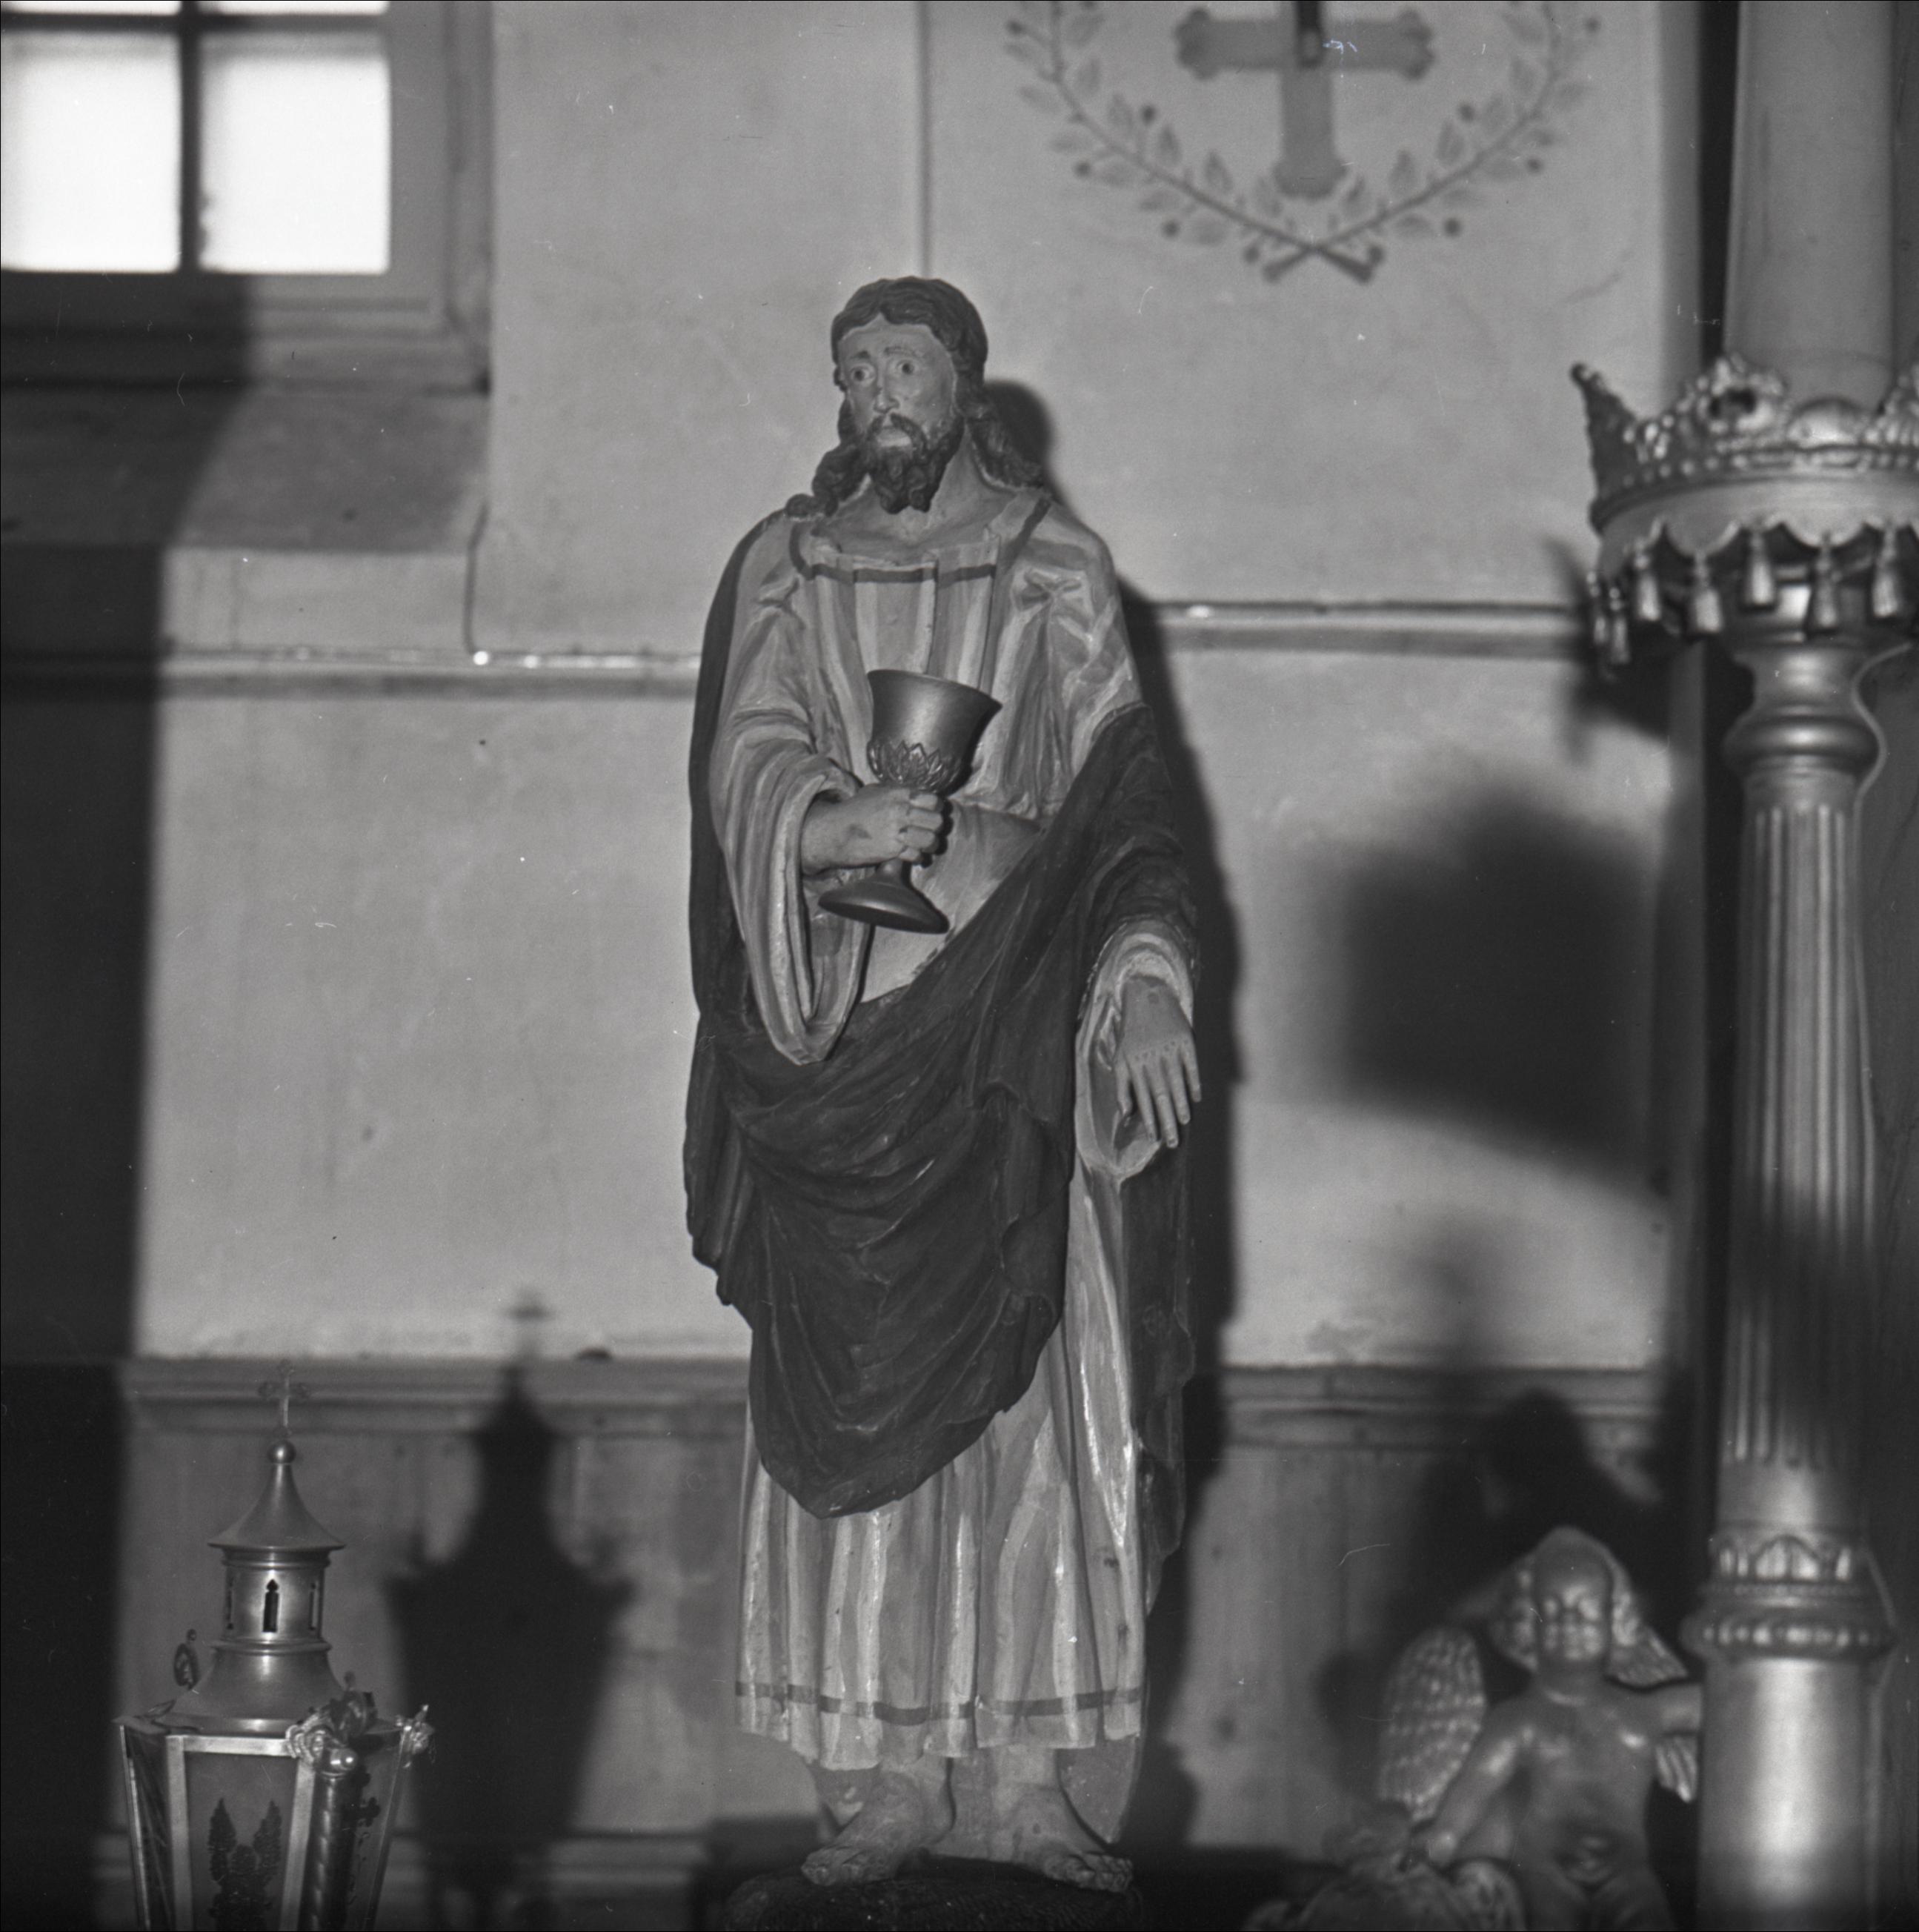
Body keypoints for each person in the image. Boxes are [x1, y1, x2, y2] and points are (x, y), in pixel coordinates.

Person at [684, 277, 1200, 1891]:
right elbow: (747, 748)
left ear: (963, 383)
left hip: (1018, 1022)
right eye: (853, 372)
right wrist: (821, 824)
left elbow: (1124, 794)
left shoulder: (1053, 563)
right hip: (847, 1024)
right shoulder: (787, 563)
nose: (875, 395)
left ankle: (1030, 1784)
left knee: (1033, 1411)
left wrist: (1142, 978)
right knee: (862, 1411)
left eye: (902, 365)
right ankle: (889, 1782)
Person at [1415, 1529, 1703, 1930]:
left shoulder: (1640, 1715)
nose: (1569, 1621)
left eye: (1586, 1610)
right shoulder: (1518, 1723)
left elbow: (1724, 1702)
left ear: (1614, 1620)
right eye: (1551, 1611)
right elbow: (1473, 1789)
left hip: (1627, 1879)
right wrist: (1440, 1843)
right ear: (1527, 1624)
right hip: (1546, 1878)